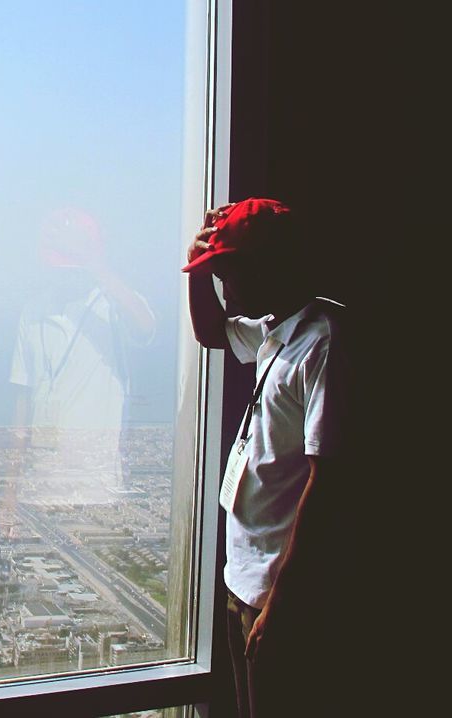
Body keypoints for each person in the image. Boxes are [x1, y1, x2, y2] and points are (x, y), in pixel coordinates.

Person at [183, 198, 345, 717]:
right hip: (246, 575)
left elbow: (329, 480)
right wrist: (198, 268)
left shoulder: (320, 343)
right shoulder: (276, 332)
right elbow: (211, 332)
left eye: (229, 273)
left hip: (275, 587)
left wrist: (282, 601)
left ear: (266, 268)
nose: (225, 290)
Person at [9, 207, 155, 508]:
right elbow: (21, 405)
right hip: (42, 481)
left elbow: (145, 324)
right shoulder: (33, 311)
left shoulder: (109, 307)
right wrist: (10, 490)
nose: (64, 275)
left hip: (95, 487)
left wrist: (91, 262)